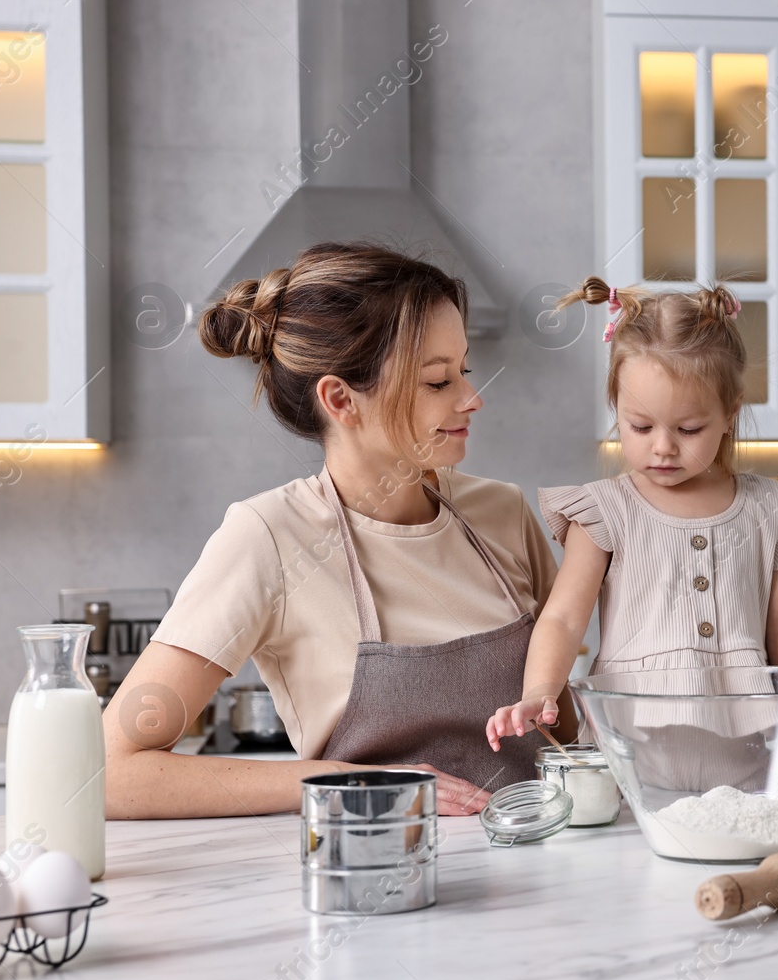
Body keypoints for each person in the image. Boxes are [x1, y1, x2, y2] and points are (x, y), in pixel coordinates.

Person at [104, 243, 574, 819]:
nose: (471, 399)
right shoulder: (269, 537)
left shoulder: (502, 512)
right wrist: (347, 781)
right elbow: (110, 772)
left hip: (548, 871)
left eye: (464, 370)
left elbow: (565, 728)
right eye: (436, 381)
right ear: (340, 399)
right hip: (382, 879)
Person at [486, 277, 778, 786]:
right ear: (616, 406)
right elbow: (562, 618)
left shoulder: (767, 508)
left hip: (747, 767)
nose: (662, 448)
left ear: (730, 414)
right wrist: (539, 692)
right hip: (629, 769)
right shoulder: (605, 510)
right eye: (640, 427)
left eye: (688, 430)